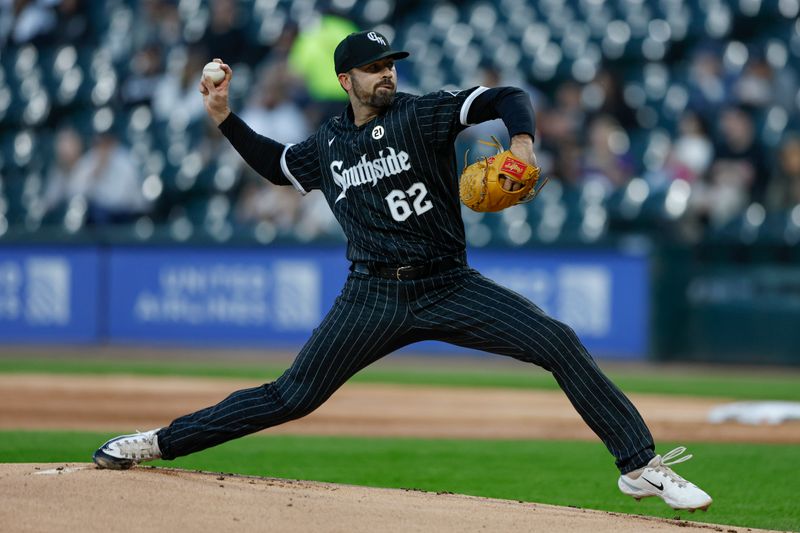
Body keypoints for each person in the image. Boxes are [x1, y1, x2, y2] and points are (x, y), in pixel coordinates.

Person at [93, 31, 713, 512]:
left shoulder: (423, 114)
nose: (387, 72)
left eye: (392, 63)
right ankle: (156, 443)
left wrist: (521, 142)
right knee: (290, 397)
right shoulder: (329, 145)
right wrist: (225, 117)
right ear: (345, 79)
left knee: (557, 340)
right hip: (371, 295)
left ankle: (639, 466)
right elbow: (276, 164)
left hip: (448, 283)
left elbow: (506, 98)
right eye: (374, 66)